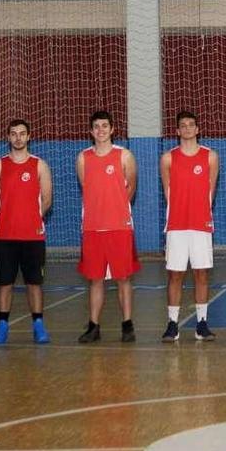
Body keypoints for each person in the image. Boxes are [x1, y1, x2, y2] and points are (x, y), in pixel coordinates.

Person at [76, 111, 140, 343]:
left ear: (112, 129)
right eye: (97, 126)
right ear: (91, 131)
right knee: (95, 279)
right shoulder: (83, 158)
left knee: (123, 277)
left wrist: (118, 211)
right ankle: (94, 326)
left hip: (119, 227)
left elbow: (130, 188)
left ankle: (127, 324)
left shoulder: (125, 156)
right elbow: (86, 187)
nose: (101, 130)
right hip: (93, 228)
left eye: (105, 126)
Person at [0, 119, 53, 344]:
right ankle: (2, 327)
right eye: (13, 134)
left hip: (33, 236)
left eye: (22, 133)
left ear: (29, 136)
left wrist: (31, 218)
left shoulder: (39, 165)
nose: (18, 137)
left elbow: (46, 200)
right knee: (4, 283)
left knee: (34, 283)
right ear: (8, 137)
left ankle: (38, 325)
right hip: (4, 237)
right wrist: (9, 218)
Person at [160, 111, 218, 342]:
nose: (186, 129)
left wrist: (201, 212)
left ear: (197, 129)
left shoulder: (210, 156)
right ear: (177, 131)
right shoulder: (168, 158)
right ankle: (172, 323)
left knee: (201, 274)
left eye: (190, 125)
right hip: (176, 224)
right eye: (182, 125)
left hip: (201, 224)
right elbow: (168, 193)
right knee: (175, 275)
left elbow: (210, 191)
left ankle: (201, 324)